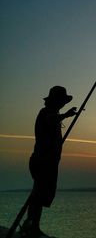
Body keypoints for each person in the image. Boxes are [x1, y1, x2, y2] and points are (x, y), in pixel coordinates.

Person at [20, 86, 77, 237]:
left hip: (49, 163)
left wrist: (64, 115)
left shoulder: (54, 115)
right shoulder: (45, 113)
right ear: (55, 101)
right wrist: (65, 115)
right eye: (61, 101)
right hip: (42, 162)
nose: (63, 104)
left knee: (40, 196)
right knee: (37, 196)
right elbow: (51, 120)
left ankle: (33, 226)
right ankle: (30, 226)